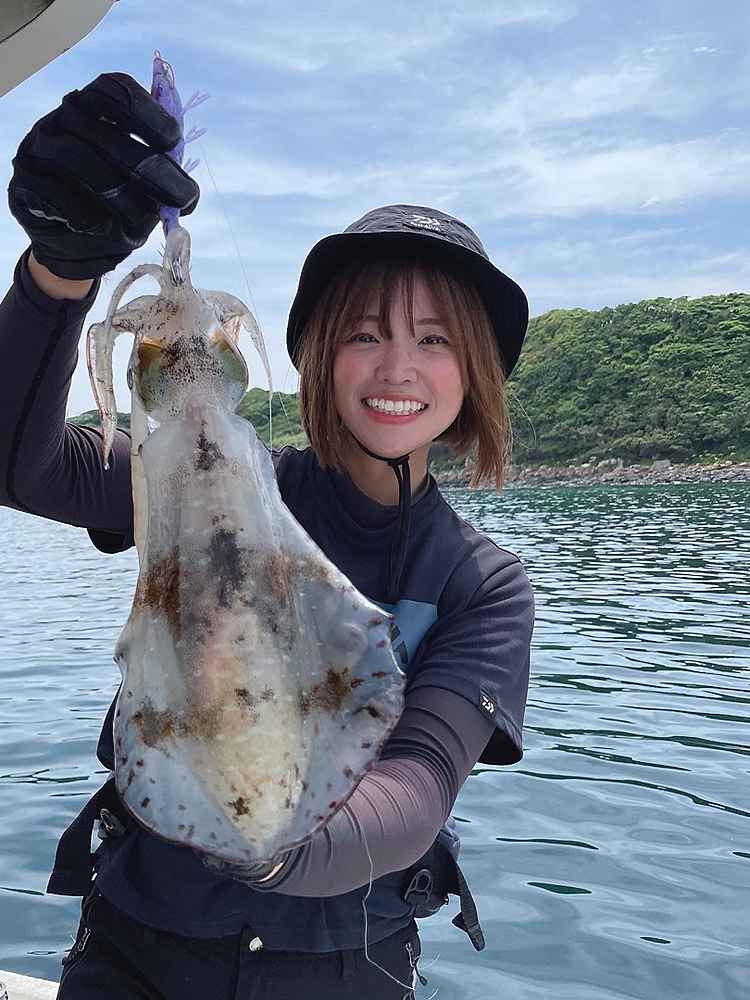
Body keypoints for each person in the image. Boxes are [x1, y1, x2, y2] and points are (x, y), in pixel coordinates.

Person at [0, 74, 534, 1000]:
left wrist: (270, 846)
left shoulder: (479, 583)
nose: (398, 368)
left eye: (436, 340)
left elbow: (417, 787)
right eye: (364, 333)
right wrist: (59, 272)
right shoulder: (205, 485)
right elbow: (23, 465)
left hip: (344, 972)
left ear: (476, 373)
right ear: (316, 354)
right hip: (139, 952)